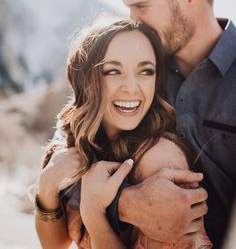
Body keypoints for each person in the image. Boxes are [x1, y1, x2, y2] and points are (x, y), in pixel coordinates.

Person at [109, 0, 236, 249]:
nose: (132, 22)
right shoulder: (131, 76)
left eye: (141, 6)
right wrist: (124, 204)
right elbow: (70, 168)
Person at [35, 18, 212, 249]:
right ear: (85, 79)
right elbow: (55, 245)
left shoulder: (159, 160)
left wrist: (94, 213)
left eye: (145, 71)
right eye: (113, 71)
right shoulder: (77, 145)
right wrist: (46, 187)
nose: (131, 87)